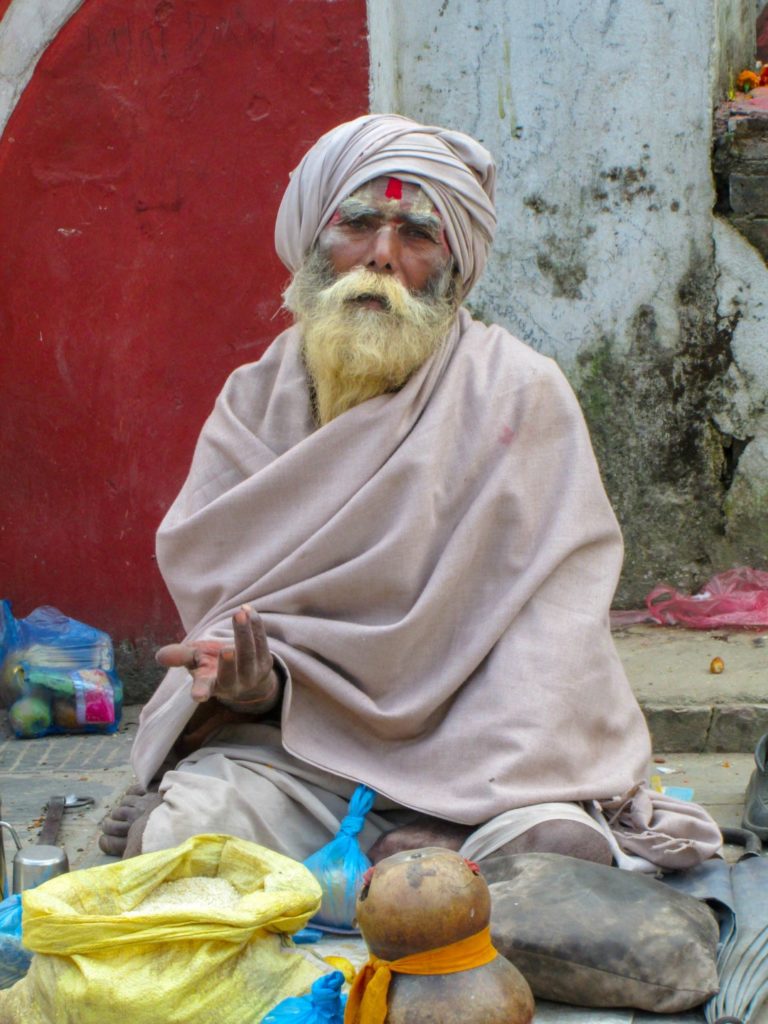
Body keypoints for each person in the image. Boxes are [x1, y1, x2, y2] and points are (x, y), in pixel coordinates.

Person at [100, 114, 722, 871]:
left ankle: (460, 839)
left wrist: (474, 786)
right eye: (358, 224)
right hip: (305, 752)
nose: (382, 258)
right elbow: (230, 610)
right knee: (176, 841)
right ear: (313, 245)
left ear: (455, 270)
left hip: (479, 760)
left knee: (544, 842)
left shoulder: (518, 392)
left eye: (416, 236)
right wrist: (257, 688)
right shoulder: (254, 399)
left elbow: (552, 636)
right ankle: (418, 858)